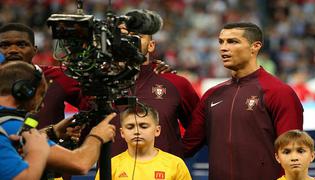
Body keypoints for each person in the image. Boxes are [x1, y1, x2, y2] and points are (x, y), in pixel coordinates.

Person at [182, 22, 304, 180]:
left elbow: (293, 152)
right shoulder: (212, 95)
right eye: (221, 42)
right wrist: (168, 84)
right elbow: (186, 147)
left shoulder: (279, 92)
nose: (223, 48)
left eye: (233, 41)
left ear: (255, 46)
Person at [0, 22, 173, 129]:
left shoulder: (58, 76)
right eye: (5, 45)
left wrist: (148, 69)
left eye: (21, 44)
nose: (13, 50)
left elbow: (93, 106)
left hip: (52, 167)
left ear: (34, 50)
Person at [0, 61, 116, 179]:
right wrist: (97, 136)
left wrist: (52, 131)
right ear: (24, 91)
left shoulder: (6, 123)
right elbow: (80, 163)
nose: (42, 105)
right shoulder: (12, 126)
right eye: (41, 95)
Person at [110, 9, 199, 158]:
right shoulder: (99, 83)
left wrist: (178, 153)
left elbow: (199, 128)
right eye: (125, 36)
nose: (130, 41)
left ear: (151, 45)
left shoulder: (176, 83)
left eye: (137, 36)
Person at [95, 104, 192, 180]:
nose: (137, 131)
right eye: (130, 127)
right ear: (122, 132)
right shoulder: (111, 166)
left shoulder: (175, 164)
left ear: (157, 130)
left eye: (144, 126)